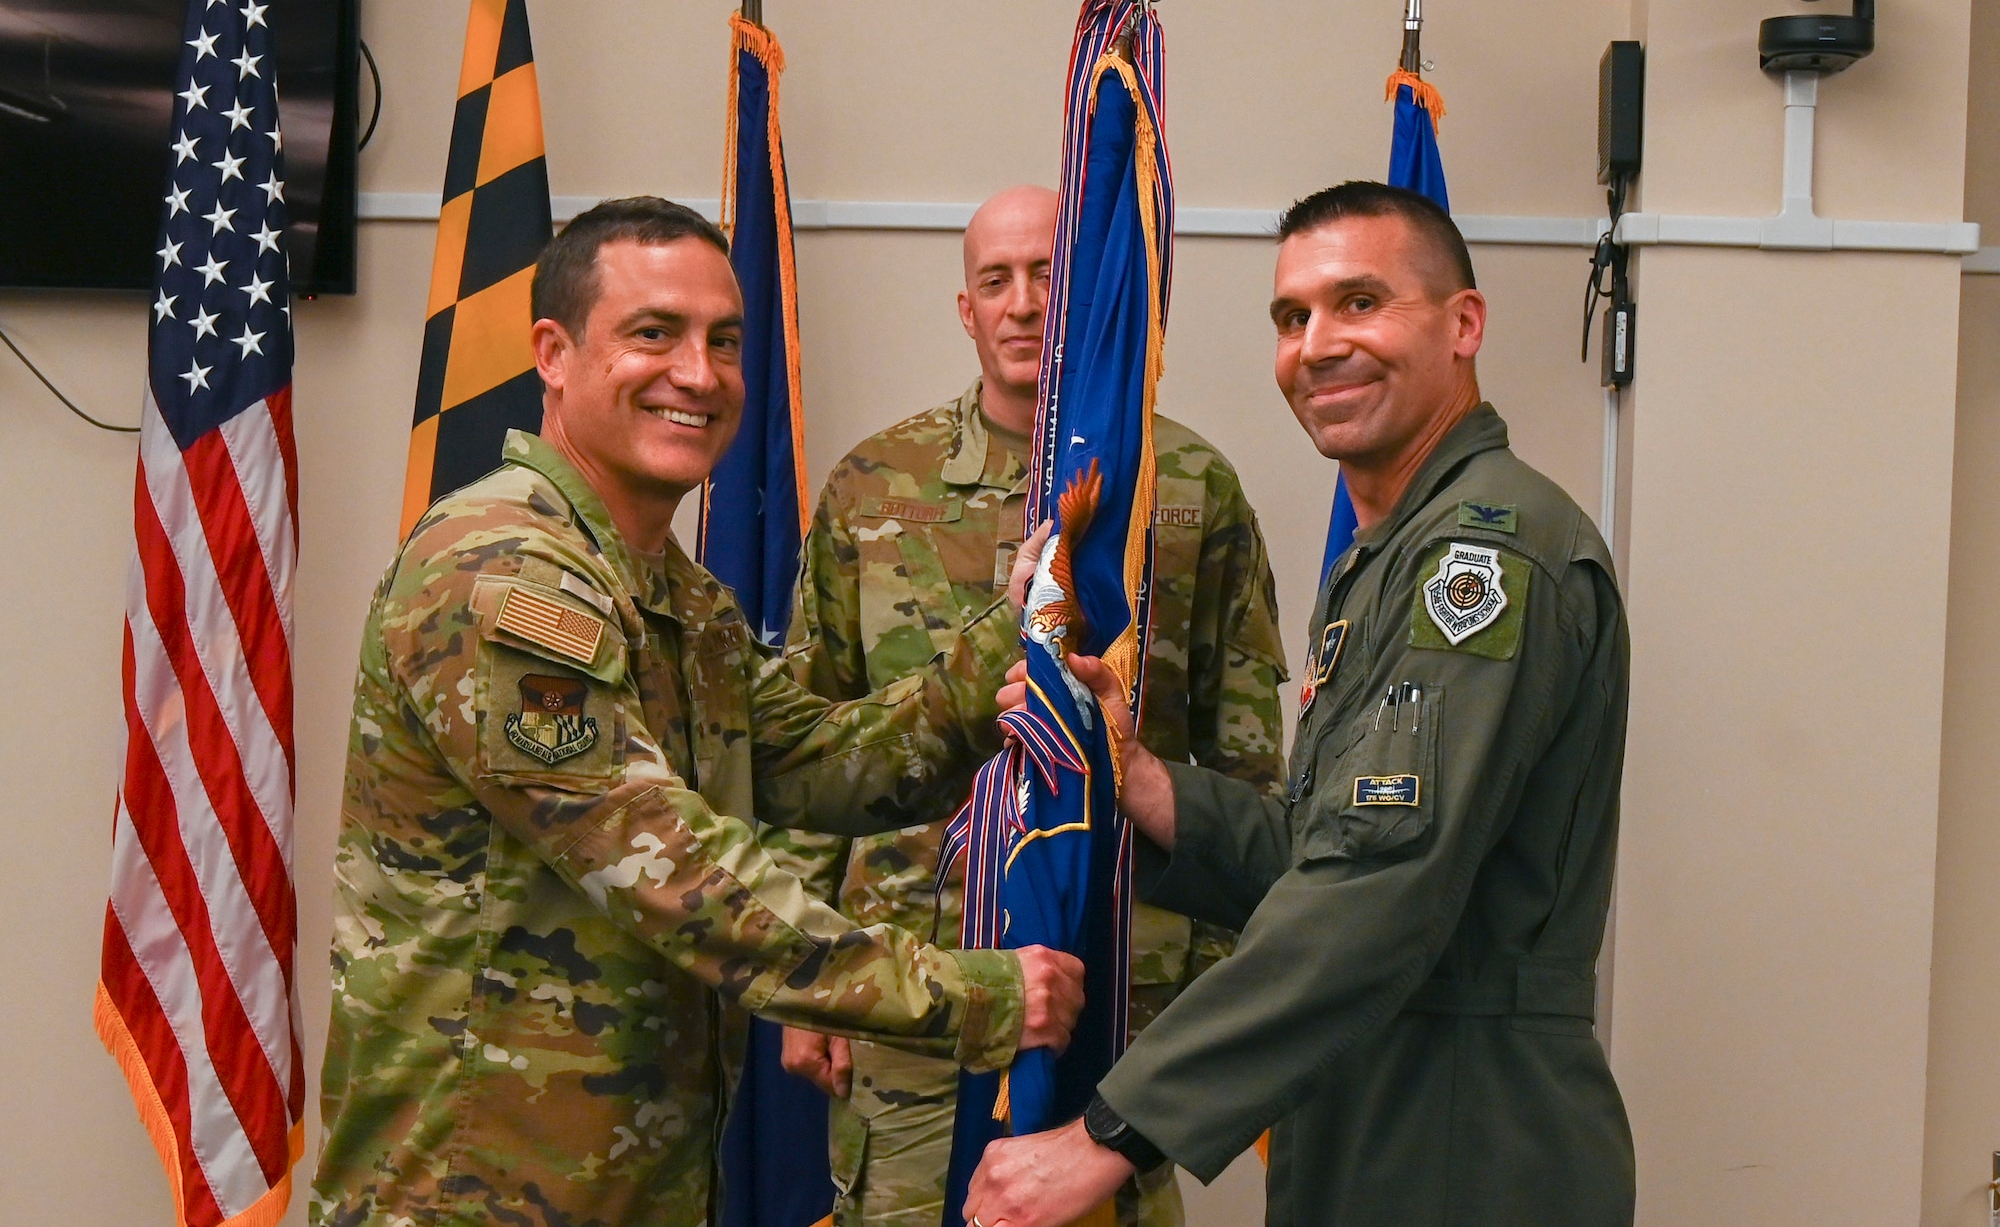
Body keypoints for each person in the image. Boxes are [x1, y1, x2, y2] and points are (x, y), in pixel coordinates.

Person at [308, 197, 1085, 1227]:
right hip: (474, 1191)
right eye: (651, 334)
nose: (699, 373)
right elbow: (669, 869)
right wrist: (965, 993)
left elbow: (832, 762)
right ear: (552, 351)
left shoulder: (668, 592)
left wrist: (1017, 624)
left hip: (632, 1182)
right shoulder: (500, 569)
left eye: (723, 340)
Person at [963, 181, 1635, 1227]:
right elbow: (1322, 853)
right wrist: (1135, 776)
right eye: (1292, 317)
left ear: (1463, 324)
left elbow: (1377, 888)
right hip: (1372, 1102)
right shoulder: (1387, 556)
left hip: (1461, 1132)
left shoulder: (1483, 555)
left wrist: (1108, 1132)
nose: (1317, 345)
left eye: (1359, 302)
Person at [769, 185, 1290, 1227]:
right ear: (964, 308)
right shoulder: (874, 486)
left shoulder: (1185, 488)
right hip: (916, 981)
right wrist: (802, 978)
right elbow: (807, 743)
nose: (1020, 304)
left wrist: (1219, 997)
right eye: (993, 281)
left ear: (1087, 293)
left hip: (1123, 989)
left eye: (1046, 275)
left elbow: (1241, 765)